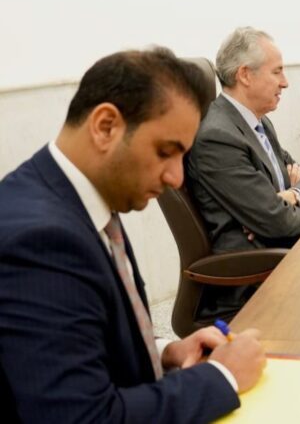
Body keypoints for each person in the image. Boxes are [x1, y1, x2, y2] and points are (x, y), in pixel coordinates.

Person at [0, 48, 266, 422]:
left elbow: (79, 338)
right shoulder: (40, 242)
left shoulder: (82, 195)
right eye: (166, 152)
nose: (176, 177)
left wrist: (163, 352)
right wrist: (223, 375)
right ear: (106, 126)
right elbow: (83, 417)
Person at [188, 27, 300, 253]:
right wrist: (298, 205)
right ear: (245, 75)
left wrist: (293, 195)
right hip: (258, 261)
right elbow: (277, 222)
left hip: (285, 247)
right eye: (277, 72)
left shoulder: (259, 122)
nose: (285, 82)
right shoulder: (217, 137)